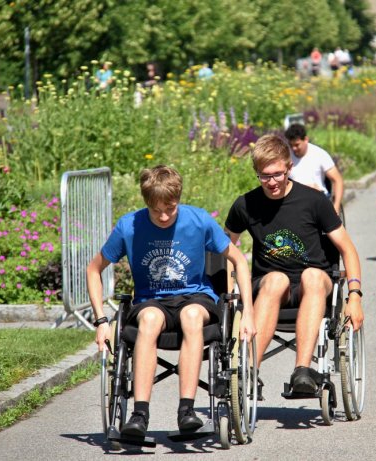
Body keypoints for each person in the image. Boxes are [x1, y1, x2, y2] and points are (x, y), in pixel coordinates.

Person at [86, 165, 255, 438]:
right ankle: (140, 414)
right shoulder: (129, 225)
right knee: (150, 320)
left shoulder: (199, 220)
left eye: (170, 208)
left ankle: (186, 411)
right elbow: (93, 269)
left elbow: (238, 260)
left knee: (191, 317)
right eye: (156, 210)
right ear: (146, 203)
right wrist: (101, 321)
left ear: (179, 198)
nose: (164, 216)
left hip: (195, 296)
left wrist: (247, 313)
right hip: (151, 301)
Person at [224, 134, 363, 394]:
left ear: (289, 167)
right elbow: (227, 250)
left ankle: (303, 371)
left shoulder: (314, 201)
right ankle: (249, 372)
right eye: (264, 176)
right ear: (257, 173)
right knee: (277, 279)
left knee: (312, 275)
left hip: (314, 283)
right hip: (270, 286)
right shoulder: (245, 205)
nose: (272, 182)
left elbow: (348, 249)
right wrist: (231, 294)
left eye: (277, 174)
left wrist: (354, 295)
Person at [284, 123, 344, 215]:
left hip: (318, 197)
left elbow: (337, 180)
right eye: (291, 145)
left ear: (306, 139)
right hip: (295, 199)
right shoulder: (286, 156)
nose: (294, 148)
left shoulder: (320, 155)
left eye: (297, 145)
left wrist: (336, 207)